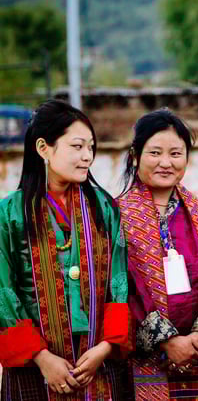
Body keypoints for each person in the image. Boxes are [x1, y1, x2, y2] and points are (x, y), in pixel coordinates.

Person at [0, 100, 133, 400]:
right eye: (77, 146)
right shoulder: (9, 214)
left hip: (98, 366)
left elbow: (120, 283)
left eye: (91, 147)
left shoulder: (104, 208)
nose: (87, 156)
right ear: (43, 148)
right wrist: (41, 357)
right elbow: (2, 292)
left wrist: (105, 347)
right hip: (33, 370)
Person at [118, 109, 198, 400]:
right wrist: (167, 341)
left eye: (175, 153)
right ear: (135, 155)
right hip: (143, 360)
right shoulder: (115, 216)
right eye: (155, 153)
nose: (166, 163)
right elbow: (121, 287)